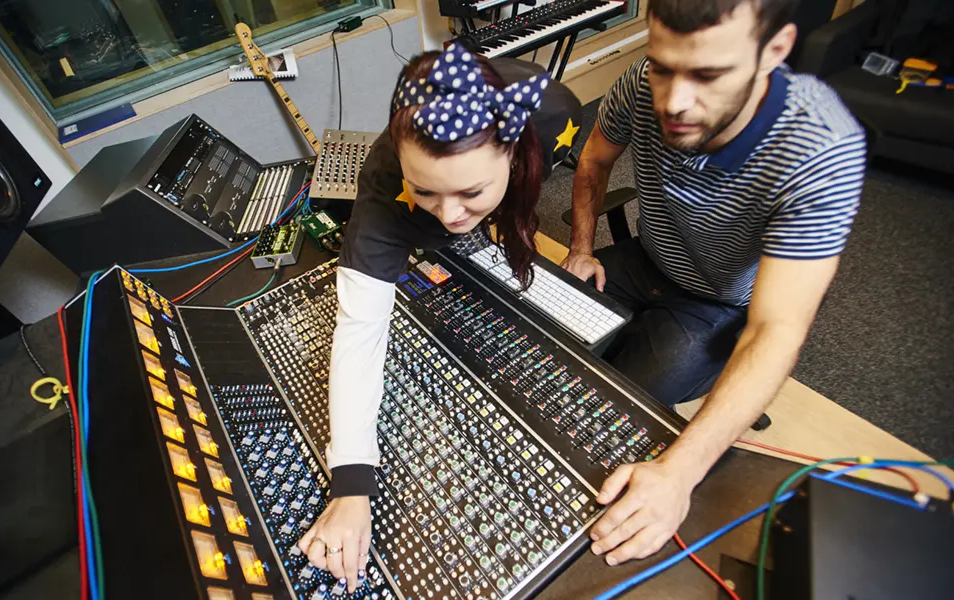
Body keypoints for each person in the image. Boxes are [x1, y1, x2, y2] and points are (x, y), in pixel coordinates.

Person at [560, 0, 867, 566]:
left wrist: (679, 474)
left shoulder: (821, 146)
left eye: (707, 75)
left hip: (716, 306)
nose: (673, 101)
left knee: (610, 423)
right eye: (663, 66)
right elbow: (593, 160)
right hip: (641, 261)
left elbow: (778, 328)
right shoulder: (638, 83)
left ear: (774, 51)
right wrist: (580, 249)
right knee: (534, 348)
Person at [298, 43, 583, 590]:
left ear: (513, 153)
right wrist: (352, 482)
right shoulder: (385, 183)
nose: (452, 215)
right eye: (426, 190)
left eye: (471, 192)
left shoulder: (554, 113)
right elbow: (360, 330)